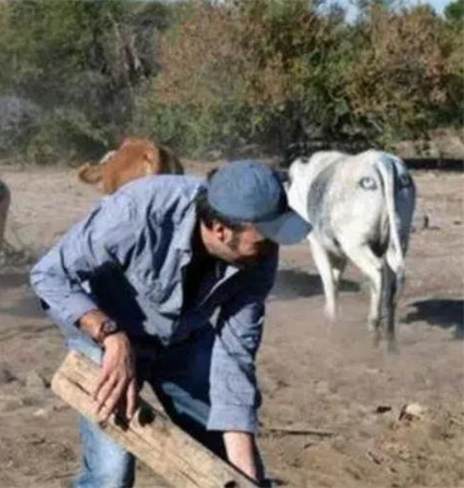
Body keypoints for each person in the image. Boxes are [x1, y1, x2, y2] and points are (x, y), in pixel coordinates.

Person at [30, 161, 311, 487]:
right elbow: (48, 275)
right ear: (221, 229)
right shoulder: (139, 212)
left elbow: (235, 359)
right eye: (264, 240)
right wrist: (112, 336)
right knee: (111, 473)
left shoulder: (257, 259)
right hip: (105, 337)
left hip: (183, 341)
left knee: (226, 468)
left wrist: (245, 479)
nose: (272, 252)